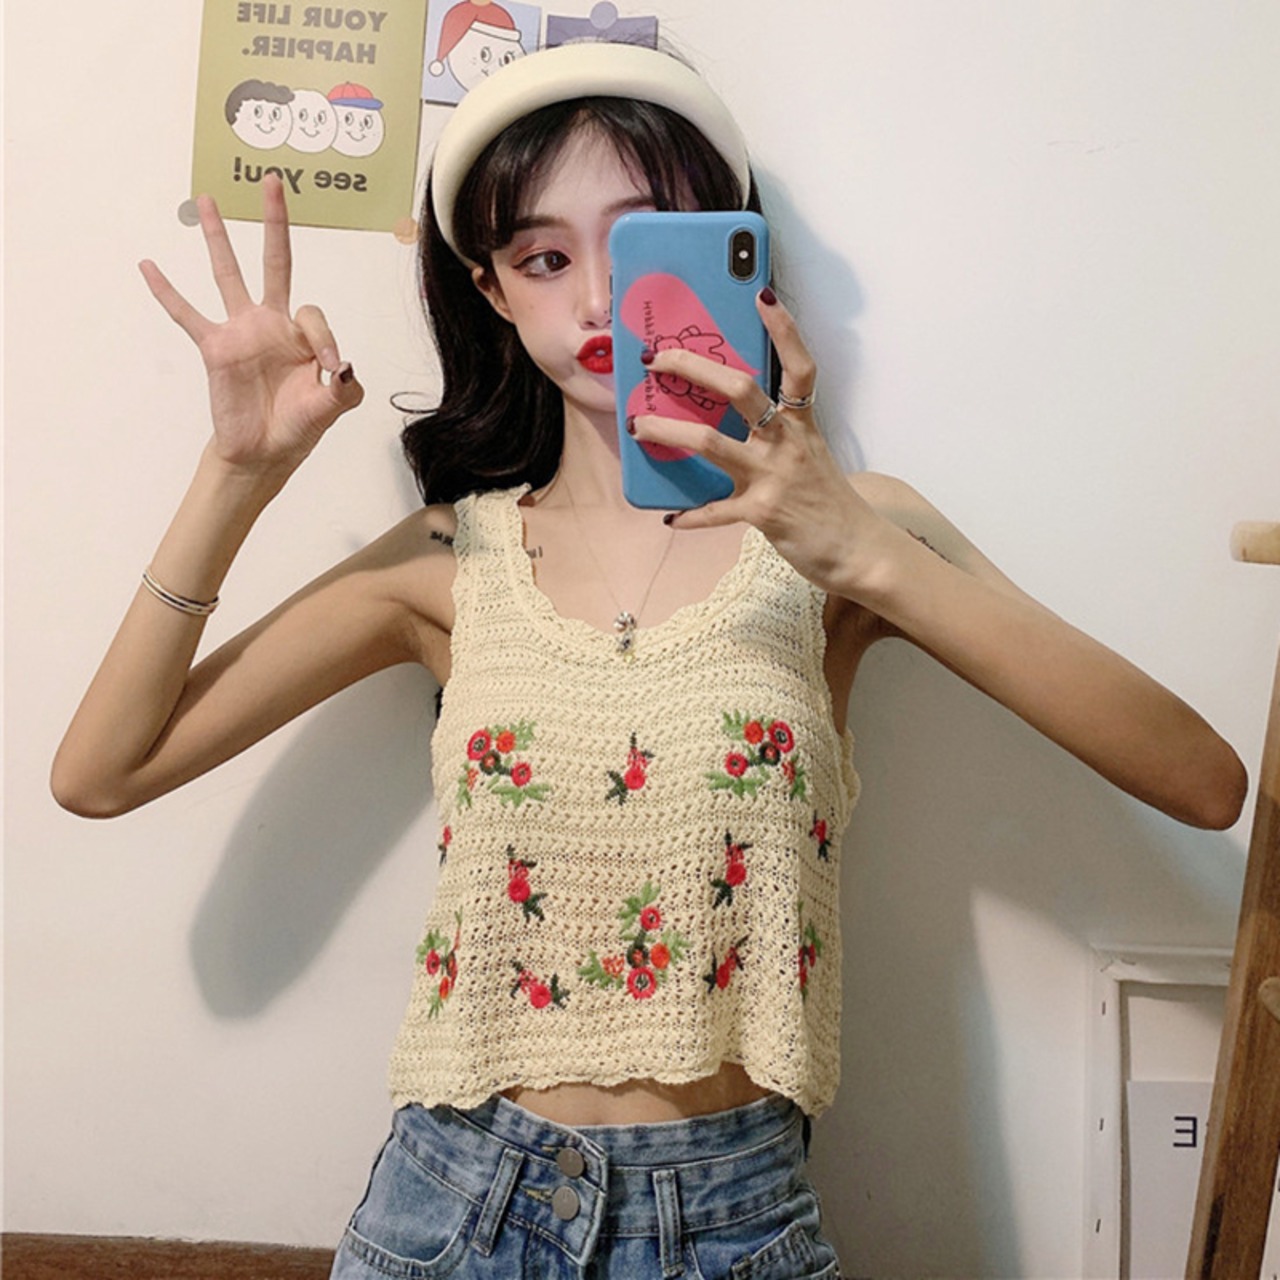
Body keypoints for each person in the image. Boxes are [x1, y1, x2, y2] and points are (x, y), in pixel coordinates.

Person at [52, 40, 1246, 1280]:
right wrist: (237, 473)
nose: (593, 302)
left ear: (730, 254)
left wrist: (866, 554)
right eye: (543, 258)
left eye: (639, 247)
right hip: (454, 1209)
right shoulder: (450, 556)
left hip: (735, 1218)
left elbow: (1201, 779)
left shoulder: (848, 535)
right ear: (491, 291)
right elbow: (100, 772)